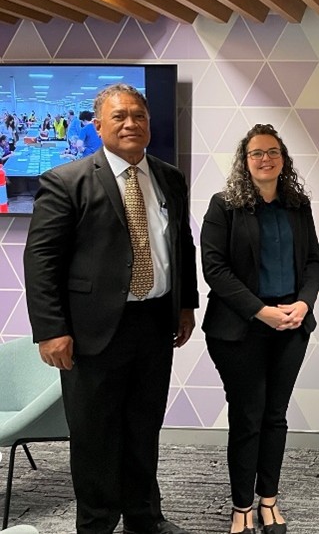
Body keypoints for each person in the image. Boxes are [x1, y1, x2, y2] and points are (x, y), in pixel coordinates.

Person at [23, 83, 198, 534]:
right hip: (91, 330)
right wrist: (50, 330)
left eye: (139, 115)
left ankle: (144, 517)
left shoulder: (170, 178)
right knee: (95, 434)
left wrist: (185, 305)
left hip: (154, 323)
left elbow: (181, 244)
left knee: (143, 426)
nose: (130, 123)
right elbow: (41, 261)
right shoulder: (66, 181)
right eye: (119, 116)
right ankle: (97, 524)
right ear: (98, 126)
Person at [200, 124, 319, 534]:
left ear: (283, 159)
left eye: (273, 152)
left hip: (291, 324)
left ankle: (268, 500)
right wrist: (260, 311)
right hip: (239, 330)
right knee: (248, 416)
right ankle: (241, 507)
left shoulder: (298, 205)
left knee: (275, 416)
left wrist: (304, 303)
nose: (265, 159)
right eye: (257, 153)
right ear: (245, 160)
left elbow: (314, 262)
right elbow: (215, 269)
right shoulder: (224, 206)